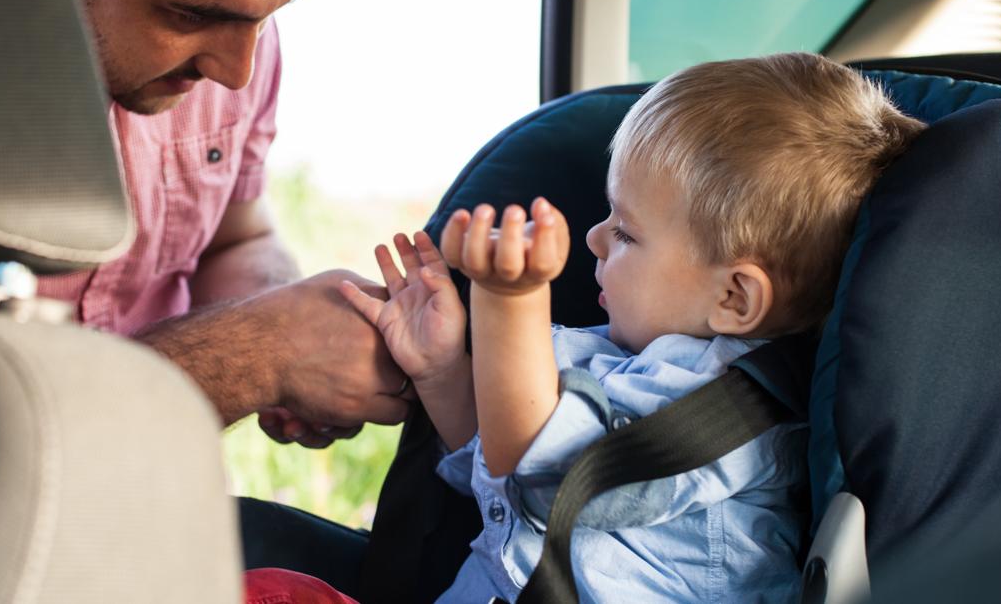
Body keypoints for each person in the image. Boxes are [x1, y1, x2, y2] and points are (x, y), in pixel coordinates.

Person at [333, 53, 928, 601]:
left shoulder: (725, 425)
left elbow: (542, 469)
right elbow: (500, 459)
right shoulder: (626, 359)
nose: (594, 237)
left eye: (625, 232)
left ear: (735, 296)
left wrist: (508, 298)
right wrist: (441, 369)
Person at [0, 0, 412, 446]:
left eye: (269, 14)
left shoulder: (235, 42)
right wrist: (255, 351)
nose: (237, 73)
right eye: (190, 15)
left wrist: (291, 321)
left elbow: (237, 237)